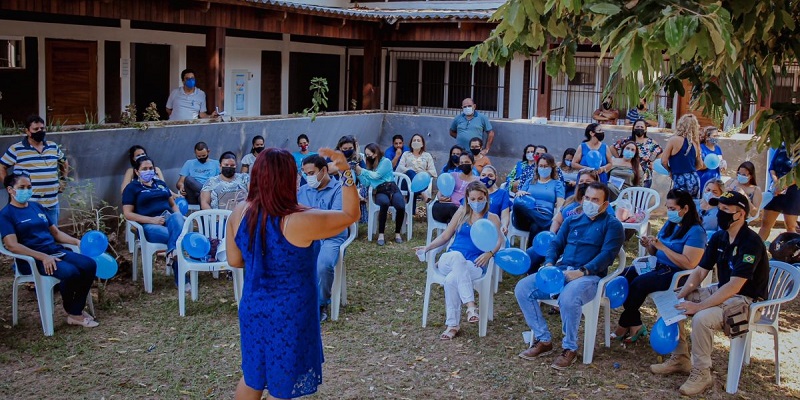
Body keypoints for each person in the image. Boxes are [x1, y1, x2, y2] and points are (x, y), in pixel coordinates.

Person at [225, 147, 359, 400]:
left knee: (253, 376)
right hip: (290, 313)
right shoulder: (301, 219)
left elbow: (234, 259)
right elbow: (351, 215)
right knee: (283, 384)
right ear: (289, 178)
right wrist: (346, 173)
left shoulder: (240, 212)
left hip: (254, 307)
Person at [650, 191, 768, 396]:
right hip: (723, 291)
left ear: (740, 214)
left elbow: (735, 286)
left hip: (747, 301)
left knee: (702, 318)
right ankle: (680, 358)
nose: (719, 213)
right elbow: (700, 271)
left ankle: (702, 373)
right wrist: (680, 295)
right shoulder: (720, 237)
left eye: (725, 209)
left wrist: (698, 306)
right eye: (718, 208)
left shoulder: (751, 243)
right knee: (673, 302)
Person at [515, 183, 624, 369]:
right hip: (561, 271)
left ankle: (570, 348)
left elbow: (607, 255)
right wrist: (549, 263)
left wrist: (582, 271)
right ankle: (543, 339)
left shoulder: (612, 225)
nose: (589, 203)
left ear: (605, 204)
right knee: (523, 288)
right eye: (587, 198)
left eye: (595, 200)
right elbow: (555, 245)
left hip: (590, 276)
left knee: (568, 297)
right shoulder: (572, 220)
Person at [0, 172, 98, 328]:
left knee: (89, 265)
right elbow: (12, 245)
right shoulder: (6, 214)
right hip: (33, 260)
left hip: (54, 251)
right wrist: (43, 257)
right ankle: (74, 313)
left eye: (29, 187)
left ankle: (74, 310)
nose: (27, 190)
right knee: (71, 272)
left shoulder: (36, 207)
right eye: (22, 187)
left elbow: (56, 233)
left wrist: (77, 241)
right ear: (10, 190)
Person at [613, 189, 706, 343]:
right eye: (667, 208)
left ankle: (623, 324)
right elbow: (655, 252)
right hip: (657, 265)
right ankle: (635, 323)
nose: (669, 212)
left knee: (638, 284)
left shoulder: (696, 232)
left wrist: (663, 247)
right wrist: (650, 245)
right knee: (624, 276)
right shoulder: (670, 224)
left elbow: (690, 263)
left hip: (675, 274)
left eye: (673, 209)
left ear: (685, 208)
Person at [414, 181, 503, 340]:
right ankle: (470, 306)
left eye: (480, 198)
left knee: (451, 280)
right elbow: (445, 236)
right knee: (457, 257)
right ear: (467, 199)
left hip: (474, 264)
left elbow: (499, 241)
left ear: (486, 198)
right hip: (449, 259)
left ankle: (452, 325)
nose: (477, 202)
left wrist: (489, 254)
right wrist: (427, 247)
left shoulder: (492, 218)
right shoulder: (461, 213)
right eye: (473, 199)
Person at [297, 155, 347, 323]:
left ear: (324, 170)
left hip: (331, 237)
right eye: (305, 174)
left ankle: (321, 303)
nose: (308, 178)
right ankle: (298, 299)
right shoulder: (303, 190)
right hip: (307, 236)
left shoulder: (339, 189)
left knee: (323, 265)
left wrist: (308, 214)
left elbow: (335, 219)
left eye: (311, 173)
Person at [122, 157, 186, 282]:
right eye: (144, 169)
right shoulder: (132, 188)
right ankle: (182, 279)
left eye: (151, 168)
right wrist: (152, 220)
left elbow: (173, 205)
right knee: (177, 239)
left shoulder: (161, 184)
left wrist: (180, 219)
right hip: (148, 225)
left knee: (177, 217)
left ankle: (172, 252)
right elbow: (128, 214)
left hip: (168, 220)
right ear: (137, 171)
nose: (148, 171)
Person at [0, 115, 69, 223]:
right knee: (29, 231)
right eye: (36, 129)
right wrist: (9, 187)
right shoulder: (16, 149)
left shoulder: (53, 146)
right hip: (28, 204)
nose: (40, 131)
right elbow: (1, 167)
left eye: (42, 128)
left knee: (53, 232)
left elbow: (64, 161)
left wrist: (63, 179)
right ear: (27, 131)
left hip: (51, 203)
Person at [355, 143, 406, 245]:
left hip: (392, 188)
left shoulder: (385, 161)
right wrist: (359, 173)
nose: (368, 157)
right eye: (366, 155)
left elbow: (376, 176)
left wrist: (362, 170)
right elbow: (367, 183)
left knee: (400, 206)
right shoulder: (370, 166)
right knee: (384, 203)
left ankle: (397, 233)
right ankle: (381, 234)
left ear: (375, 153)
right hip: (380, 190)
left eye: (369, 154)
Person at [512, 153, 565, 249]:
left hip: (543, 215)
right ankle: (546, 223)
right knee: (517, 204)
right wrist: (519, 193)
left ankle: (530, 255)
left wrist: (557, 217)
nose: (543, 168)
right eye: (541, 166)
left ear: (552, 167)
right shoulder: (529, 181)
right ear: (537, 167)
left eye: (546, 166)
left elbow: (560, 204)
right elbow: (520, 198)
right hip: (525, 218)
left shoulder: (557, 184)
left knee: (535, 226)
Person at [759, 144, 799, 240]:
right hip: (775, 190)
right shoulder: (782, 147)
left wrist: (783, 186)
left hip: (793, 192)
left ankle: (792, 248)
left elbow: (798, 175)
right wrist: (776, 182)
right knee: (765, 224)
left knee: (791, 226)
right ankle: (756, 248)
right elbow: (772, 167)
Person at [662, 114, 703, 198]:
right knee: (692, 204)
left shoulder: (674, 140)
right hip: (694, 178)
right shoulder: (695, 143)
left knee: (678, 203)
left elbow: (664, 161)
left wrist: (670, 170)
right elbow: (700, 165)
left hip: (680, 178)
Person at [613, 119, 663, 188]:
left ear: (645, 129)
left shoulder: (651, 143)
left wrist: (653, 163)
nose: (639, 128)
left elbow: (660, 152)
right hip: (628, 174)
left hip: (645, 177)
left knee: (641, 194)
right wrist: (620, 159)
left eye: (642, 127)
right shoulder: (627, 140)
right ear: (634, 128)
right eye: (637, 127)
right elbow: (613, 148)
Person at [432, 153, 479, 224]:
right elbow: (441, 190)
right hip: (443, 207)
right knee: (453, 209)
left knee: (456, 213)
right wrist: (440, 198)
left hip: (462, 210)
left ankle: (451, 225)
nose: (464, 165)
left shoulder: (477, 181)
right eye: (461, 163)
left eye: (466, 162)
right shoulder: (452, 176)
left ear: (473, 163)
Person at [396, 133, 437, 203]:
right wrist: (410, 171)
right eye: (414, 140)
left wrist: (420, 174)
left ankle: (409, 208)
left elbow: (433, 172)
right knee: (410, 173)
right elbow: (400, 167)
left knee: (413, 185)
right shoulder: (406, 154)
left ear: (422, 144)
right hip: (406, 181)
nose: (416, 142)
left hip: (422, 181)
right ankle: (422, 193)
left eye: (418, 140)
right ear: (411, 143)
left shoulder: (427, 155)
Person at [480, 165, 511, 234]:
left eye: (490, 176)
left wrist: (504, 225)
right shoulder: (474, 192)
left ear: (496, 178)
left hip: (493, 229)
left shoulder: (502, 193)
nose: (486, 178)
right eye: (483, 175)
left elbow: (505, 214)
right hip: (476, 227)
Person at [696, 126, 727, 191]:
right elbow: (698, 166)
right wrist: (710, 163)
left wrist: (723, 165)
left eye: (717, 136)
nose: (716, 138)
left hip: (715, 182)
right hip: (703, 181)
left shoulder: (718, 148)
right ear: (707, 137)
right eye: (714, 136)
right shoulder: (701, 148)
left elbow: (720, 161)